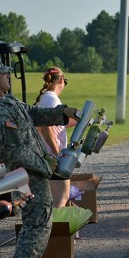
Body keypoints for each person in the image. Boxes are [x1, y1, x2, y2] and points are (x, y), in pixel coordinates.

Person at [0, 58, 79, 258]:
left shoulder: (7, 101)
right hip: (27, 174)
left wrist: (63, 112)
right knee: (37, 227)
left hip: (30, 173)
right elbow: (14, 152)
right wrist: (47, 165)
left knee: (35, 223)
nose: (8, 76)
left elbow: (33, 113)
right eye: (4, 73)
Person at [33, 67, 76, 208]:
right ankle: (56, 229)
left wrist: (81, 121)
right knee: (60, 199)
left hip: (48, 155)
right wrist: (57, 152)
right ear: (62, 80)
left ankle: (57, 227)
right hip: (52, 156)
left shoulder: (48, 98)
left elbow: (57, 124)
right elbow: (46, 128)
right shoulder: (51, 99)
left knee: (56, 198)